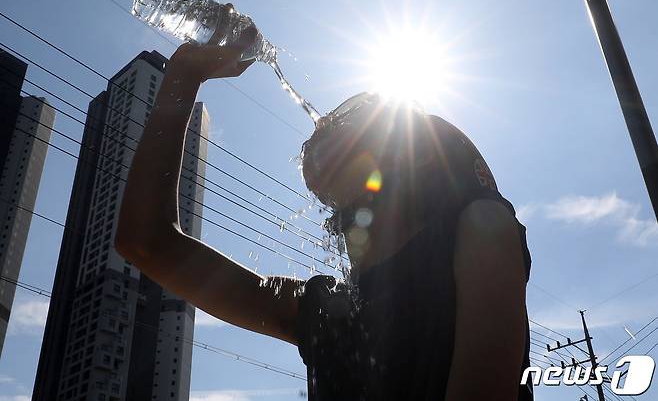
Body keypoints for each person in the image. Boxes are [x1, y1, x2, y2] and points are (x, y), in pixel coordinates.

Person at [116, 27, 533, 401]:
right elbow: (148, 242)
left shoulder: (483, 224)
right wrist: (184, 76)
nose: (349, 231)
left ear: (420, 160)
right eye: (341, 214)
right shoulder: (336, 308)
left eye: (357, 209)